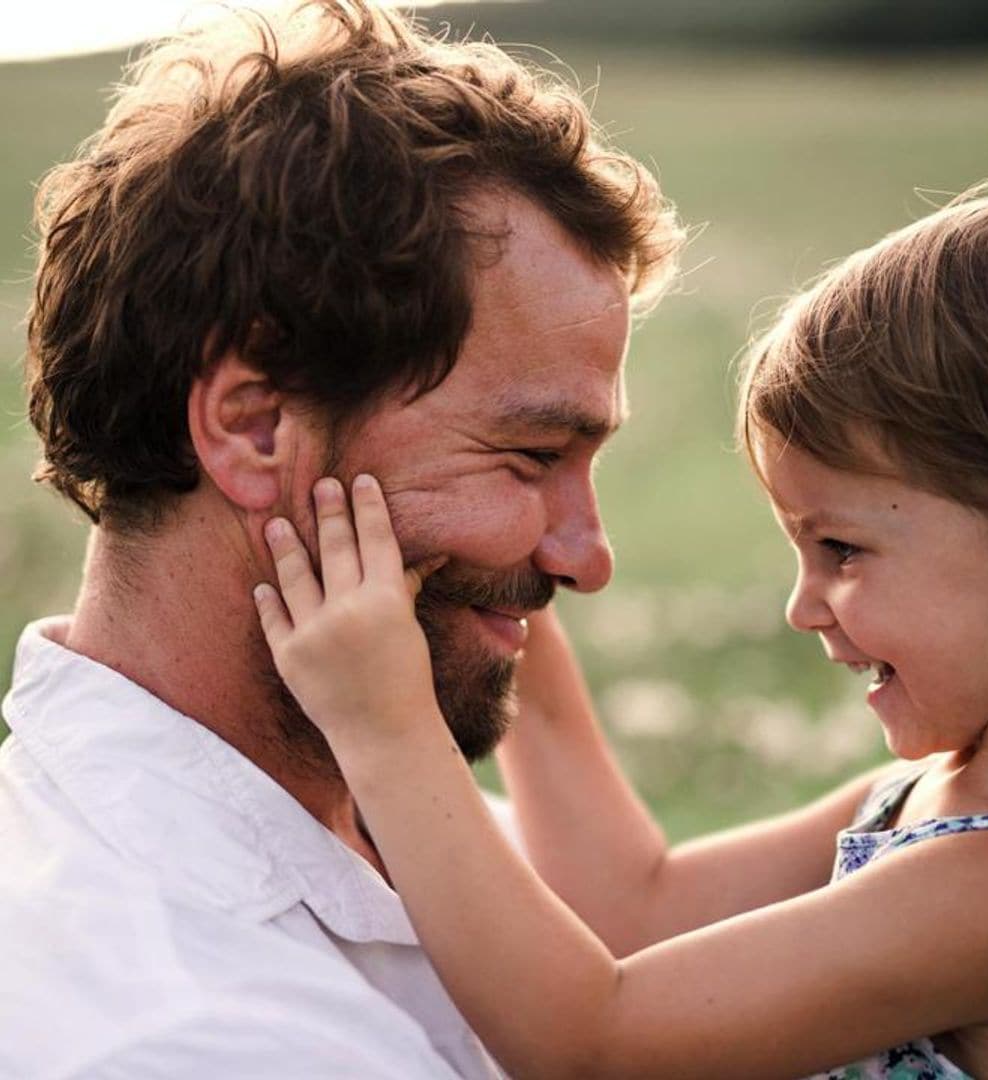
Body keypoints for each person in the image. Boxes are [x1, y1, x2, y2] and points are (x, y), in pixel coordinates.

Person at [257, 183, 988, 1080]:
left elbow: (595, 1045)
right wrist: (500, 603)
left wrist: (388, 729)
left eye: (843, 549)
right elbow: (634, 910)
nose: (802, 608)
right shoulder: (922, 799)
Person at [0, 1, 683, 1075]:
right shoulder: (193, 1036)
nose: (586, 558)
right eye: (532, 455)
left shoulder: (409, 834)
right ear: (254, 426)